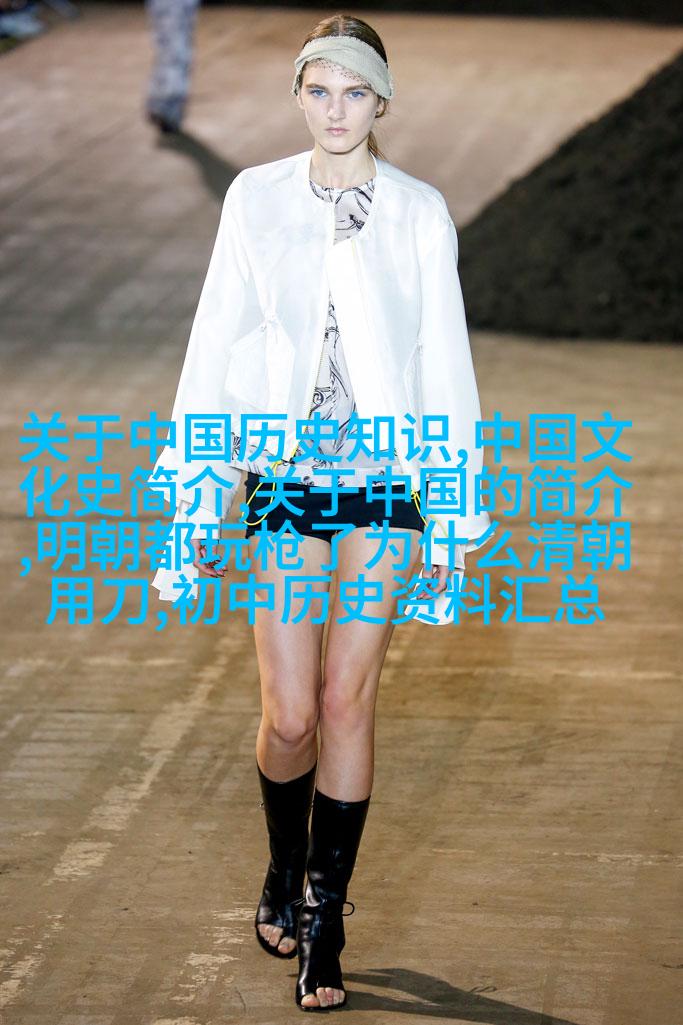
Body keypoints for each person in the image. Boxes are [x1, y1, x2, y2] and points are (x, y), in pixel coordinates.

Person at [147, 12, 493, 1011]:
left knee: (346, 699)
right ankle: (281, 865)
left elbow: (443, 366)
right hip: (284, 483)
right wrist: (196, 499)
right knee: (290, 715)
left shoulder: (419, 213)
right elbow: (217, 347)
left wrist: (451, 515)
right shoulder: (255, 200)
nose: (335, 111)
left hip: (385, 485)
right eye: (317, 90)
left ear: (381, 102)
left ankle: (325, 917)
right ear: (298, 96)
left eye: (354, 92)